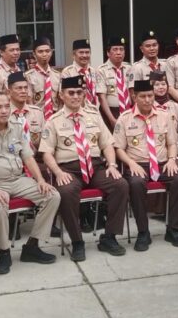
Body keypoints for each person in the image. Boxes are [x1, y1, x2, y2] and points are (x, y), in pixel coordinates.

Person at [40, 75, 129, 261]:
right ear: (62, 95)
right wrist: (57, 172)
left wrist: (112, 165)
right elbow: (46, 153)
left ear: (84, 95)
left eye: (79, 92)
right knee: (66, 191)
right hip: (68, 169)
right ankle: (77, 241)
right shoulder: (53, 121)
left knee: (120, 184)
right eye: (70, 93)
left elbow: (107, 145)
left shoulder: (94, 117)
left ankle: (109, 237)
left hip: (95, 167)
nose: (75, 96)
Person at [0, 91, 59, 273]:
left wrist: (40, 180)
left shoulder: (17, 127)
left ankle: (32, 246)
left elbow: (28, 158)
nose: (4, 111)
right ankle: (4, 252)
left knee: (52, 195)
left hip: (17, 179)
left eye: (6, 106)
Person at [112, 79, 178, 249]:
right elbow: (118, 148)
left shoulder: (164, 115)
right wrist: (131, 163)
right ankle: (143, 232)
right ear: (134, 97)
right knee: (136, 184)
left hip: (162, 163)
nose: (147, 100)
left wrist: (171, 159)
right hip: (138, 164)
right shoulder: (124, 119)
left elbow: (172, 143)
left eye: (150, 96)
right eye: (143, 96)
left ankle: (173, 229)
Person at [61, 39, 105, 114]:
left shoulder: (94, 71)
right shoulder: (67, 72)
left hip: (95, 113)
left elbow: (100, 95)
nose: (84, 55)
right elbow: (64, 97)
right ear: (74, 54)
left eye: (87, 52)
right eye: (81, 52)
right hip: (77, 113)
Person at [98, 36, 133, 128]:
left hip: (129, 110)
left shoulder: (129, 68)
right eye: (115, 49)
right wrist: (111, 118)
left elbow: (133, 92)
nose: (119, 52)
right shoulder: (101, 70)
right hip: (111, 111)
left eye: (121, 49)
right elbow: (102, 97)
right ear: (108, 53)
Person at [6, 72, 44, 154]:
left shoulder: (37, 113)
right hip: (11, 161)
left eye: (26, 88)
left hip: (36, 159)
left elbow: (45, 143)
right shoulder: (4, 114)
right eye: (19, 88)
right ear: (9, 92)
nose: (23, 91)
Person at [26, 36, 61, 119]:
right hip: (37, 117)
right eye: (40, 52)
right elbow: (28, 101)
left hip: (55, 117)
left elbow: (61, 100)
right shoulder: (28, 76)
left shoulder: (58, 76)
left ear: (51, 52)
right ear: (34, 54)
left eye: (47, 51)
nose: (44, 54)